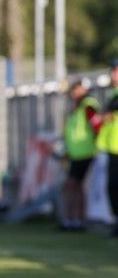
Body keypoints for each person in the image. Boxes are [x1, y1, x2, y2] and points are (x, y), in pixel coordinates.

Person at [60, 78, 101, 231]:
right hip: (75, 153)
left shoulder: (88, 105)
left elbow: (97, 125)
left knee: (72, 186)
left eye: (76, 89)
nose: (74, 92)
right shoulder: (76, 107)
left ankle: (76, 219)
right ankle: (73, 220)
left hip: (85, 153)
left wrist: (97, 146)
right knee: (75, 187)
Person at [97, 60, 118, 236]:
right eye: (112, 71)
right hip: (112, 147)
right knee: (112, 187)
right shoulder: (113, 95)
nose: (113, 75)